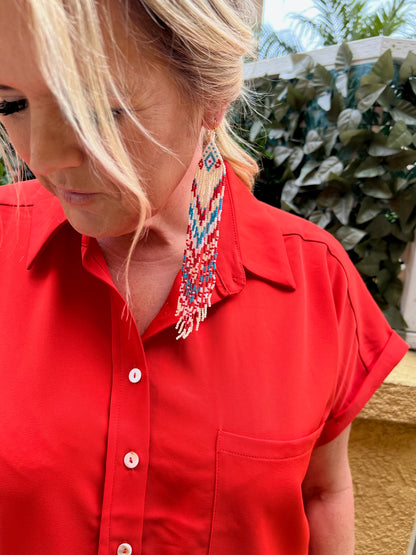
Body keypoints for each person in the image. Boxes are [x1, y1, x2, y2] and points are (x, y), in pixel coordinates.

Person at [0, 0, 408, 554]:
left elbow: (320, 491)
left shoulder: (316, 284)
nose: (42, 156)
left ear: (211, 95)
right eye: (12, 103)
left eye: (98, 107)